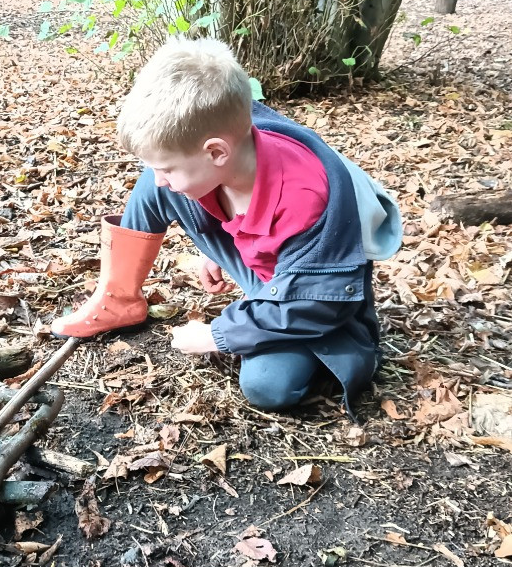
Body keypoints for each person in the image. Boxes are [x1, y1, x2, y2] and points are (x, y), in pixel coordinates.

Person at [51, 38, 402, 414]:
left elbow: (314, 305)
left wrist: (216, 335)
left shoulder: (306, 198)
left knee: (268, 386)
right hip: (264, 266)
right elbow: (214, 197)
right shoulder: (227, 147)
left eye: (166, 168)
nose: (159, 178)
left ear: (217, 151)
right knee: (162, 186)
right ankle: (118, 297)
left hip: (307, 295)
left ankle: (299, 347)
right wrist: (214, 248)